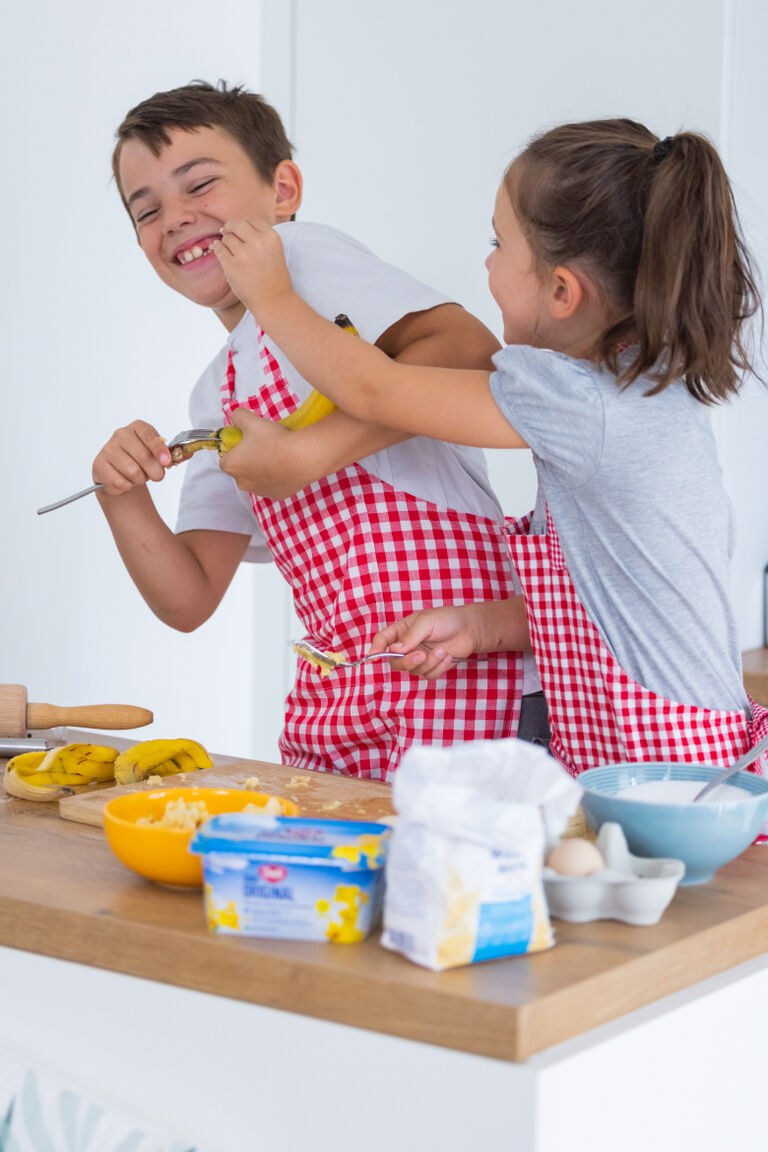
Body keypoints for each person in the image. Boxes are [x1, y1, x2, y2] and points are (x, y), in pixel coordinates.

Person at [212, 116, 768, 777]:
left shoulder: (575, 399)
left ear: (562, 292)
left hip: (665, 766)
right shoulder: (643, 390)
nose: (485, 263)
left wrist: (270, 294)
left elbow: (375, 388)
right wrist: (482, 626)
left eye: (498, 243)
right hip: (676, 752)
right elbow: (611, 599)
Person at [94, 80, 544, 781]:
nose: (176, 219)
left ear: (283, 190)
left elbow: (466, 348)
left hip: (458, 664)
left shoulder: (300, 261)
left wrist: (309, 453)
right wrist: (121, 495)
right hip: (343, 692)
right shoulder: (217, 393)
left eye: (199, 186)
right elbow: (188, 597)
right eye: (146, 211)